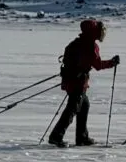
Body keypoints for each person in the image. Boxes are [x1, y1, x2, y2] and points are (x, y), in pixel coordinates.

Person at [49, 18, 120, 147]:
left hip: (71, 81)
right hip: (77, 83)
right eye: (101, 31)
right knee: (72, 109)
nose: (102, 34)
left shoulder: (77, 43)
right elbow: (98, 65)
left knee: (83, 105)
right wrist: (112, 62)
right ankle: (56, 136)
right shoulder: (90, 46)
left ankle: (82, 137)